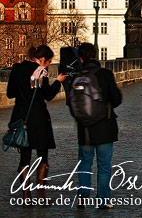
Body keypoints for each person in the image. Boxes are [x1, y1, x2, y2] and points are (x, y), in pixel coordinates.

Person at [7, 45, 66, 201]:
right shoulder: (41, 72)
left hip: (21, 117)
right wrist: (58, 81)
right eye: (48, 62)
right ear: (41, 59)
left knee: (24, 158)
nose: (47, 65)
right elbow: (48, 95)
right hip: (39, 119)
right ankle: (41, 195)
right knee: (42, 157)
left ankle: (26, 195)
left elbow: (10, 93)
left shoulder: (17, 69)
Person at [71, 43, 122, 209]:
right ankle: (103, 200)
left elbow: (71, 104)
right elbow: (116, 99)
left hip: (84, 129)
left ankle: (82, 197)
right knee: (104, 166)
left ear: (80, 58)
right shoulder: (105, 74)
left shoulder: (76, 76)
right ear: (96, 55)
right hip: (104, 127)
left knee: (85, 163)